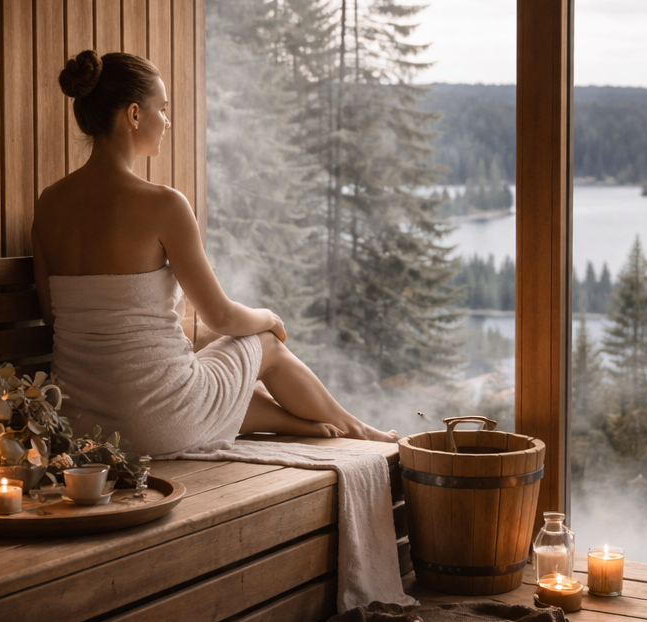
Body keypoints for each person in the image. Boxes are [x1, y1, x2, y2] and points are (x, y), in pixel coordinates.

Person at [32, 50, 396, 456]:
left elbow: (53, 317)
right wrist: (268, 318)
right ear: (134, 115)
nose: (167, 121)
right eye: (162, 109)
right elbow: (221, 317)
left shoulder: (48, 205)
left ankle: (294, 422)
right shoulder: (164, 205)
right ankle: (358, 430)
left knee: (205, 357)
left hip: (77, 423)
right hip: (155, 423)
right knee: (266, 345)